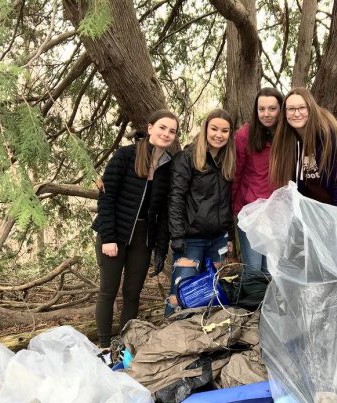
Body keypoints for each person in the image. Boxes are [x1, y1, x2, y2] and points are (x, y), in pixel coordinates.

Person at [92, 110, 179, 348]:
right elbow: (106, 199)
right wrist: (109, 238)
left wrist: (160, 249)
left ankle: (124, 345)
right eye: (162, 128)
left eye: (172, 131)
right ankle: (104, 346)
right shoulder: (125, 155)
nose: (166, 134)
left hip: (143, 237)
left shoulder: (169, 166)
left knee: (132, 293)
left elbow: (162, 214)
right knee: (108, 291)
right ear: (150, 128)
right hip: (115, 233)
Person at [166, 108, 235, 314]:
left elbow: (227, 202)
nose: (218, 135)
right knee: (181, 294)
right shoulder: (187, 157)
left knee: (209, 295)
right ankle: (171, 340)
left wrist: (229, 234)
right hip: (191, 239)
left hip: (218, 240)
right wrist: (177, 235)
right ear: (205, 128)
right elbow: (176, 197)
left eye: (224, 131)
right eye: (214, 129)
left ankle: (199, 341)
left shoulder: (228, 160)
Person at [269, 87, 337, 218]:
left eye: (302, 108)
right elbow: (304, 182)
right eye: (291, 109)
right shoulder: (292, 141)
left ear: (310, 109)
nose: (297, 113)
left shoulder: (326, 134)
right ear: (285, 113)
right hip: (320, 210)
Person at [233, 87, 284, 273]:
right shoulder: (244, 135)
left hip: (276, 213)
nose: (266, 114)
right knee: (253, 270)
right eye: (261, 109)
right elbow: (235, 173)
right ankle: (252, 303)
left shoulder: (287, 136)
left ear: (281, 109)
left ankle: (265, 303)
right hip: (250, 211)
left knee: (271, 271)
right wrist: (234, 208)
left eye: (272, 108)